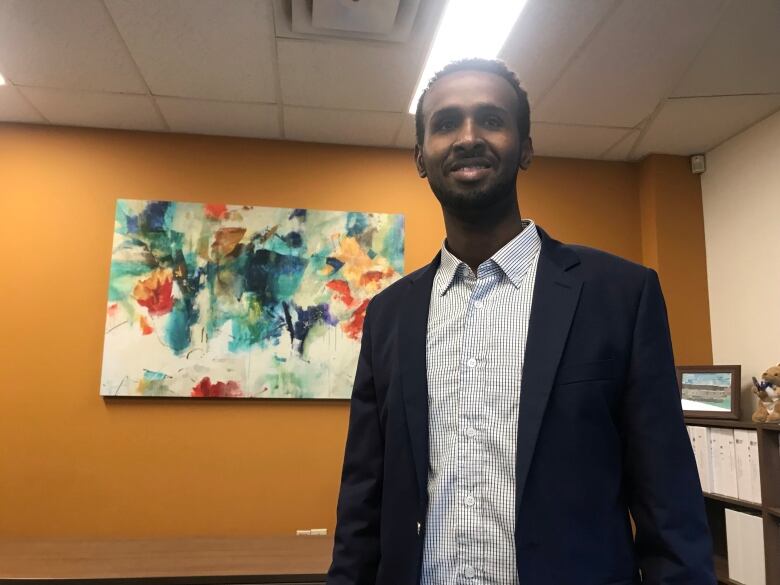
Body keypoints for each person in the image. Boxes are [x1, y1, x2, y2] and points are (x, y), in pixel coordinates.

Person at [326, 58, 715, 585]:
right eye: (445, 124)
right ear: (421, 158)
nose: (468, 138)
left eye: (491, 119)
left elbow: (670, 507)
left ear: (525, 148)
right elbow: (362, 503)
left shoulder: (620, 295)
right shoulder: (390, 314)